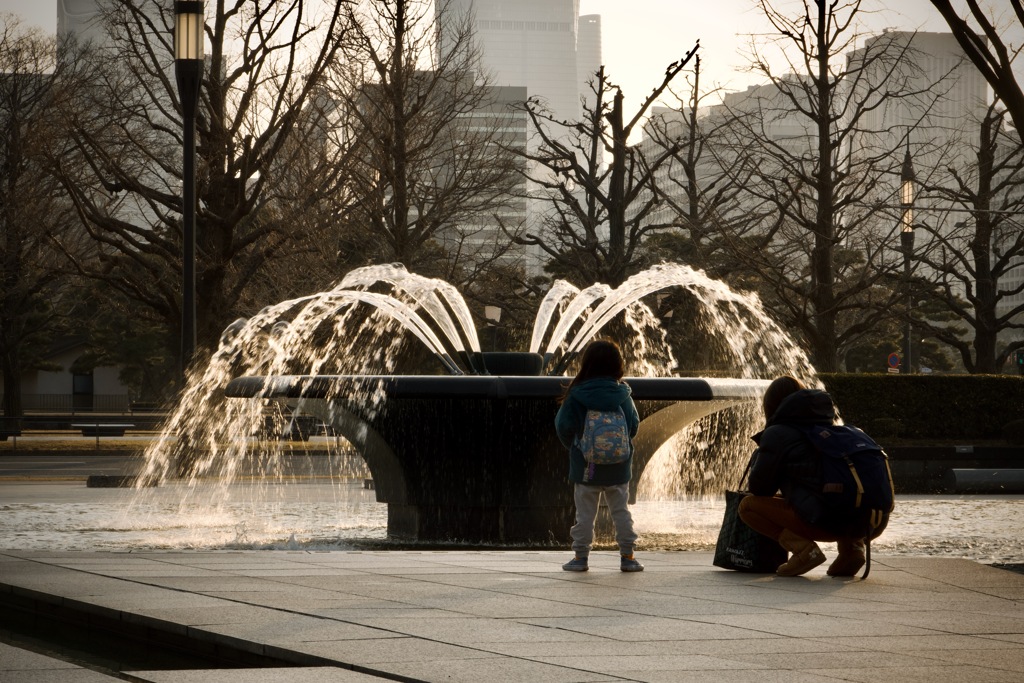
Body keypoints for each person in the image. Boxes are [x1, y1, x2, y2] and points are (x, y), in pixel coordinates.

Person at [738, 376, 878, 577]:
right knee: (839, 493)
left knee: (748, 506)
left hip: (825, 522)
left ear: (772, 405)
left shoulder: (778, 434)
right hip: (869, 523)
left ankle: (804, 551)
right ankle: (852, 550)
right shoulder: (832, 428)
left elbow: (760, 489)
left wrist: (763, 454)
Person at [554, 339, 644, 572]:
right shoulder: (623, 393)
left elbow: (563, 426)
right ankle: (628, 556)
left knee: (585, 514)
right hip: (618, 468)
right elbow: (633, 426)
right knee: (621, 511)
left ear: (587, 365)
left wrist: (575, 447)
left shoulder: (577, 393)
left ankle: (581, 558)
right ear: (617, 365)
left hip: (587, 467)